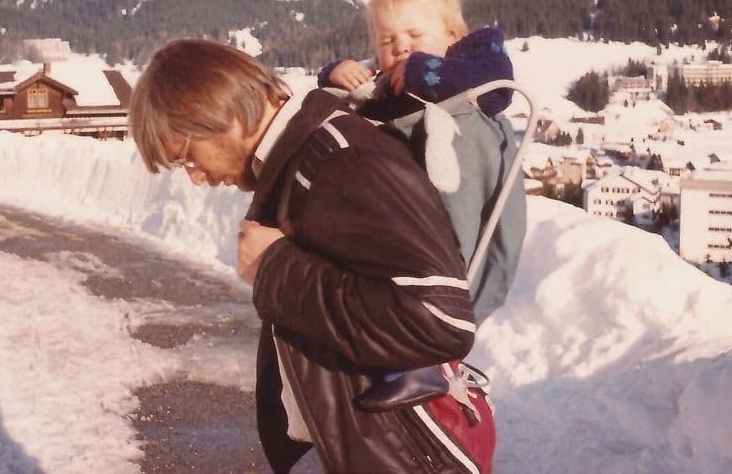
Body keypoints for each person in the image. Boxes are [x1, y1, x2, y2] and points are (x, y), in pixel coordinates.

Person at [130, 38, 483, 473]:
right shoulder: (304, 159)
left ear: (226, 113)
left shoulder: (338, 158)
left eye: (187, 158)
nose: (197, 179)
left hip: (397, 456)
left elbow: (440, 319)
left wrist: (276, 270)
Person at [317, 0, 514, 121]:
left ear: (453, 35)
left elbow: (499, 88)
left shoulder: (475, 54)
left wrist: (421, 71)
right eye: (387, 41)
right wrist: (336, 74)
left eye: (415, 35)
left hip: (469, 170)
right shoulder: (386, 82)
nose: (400, 47)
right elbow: (349, 103)